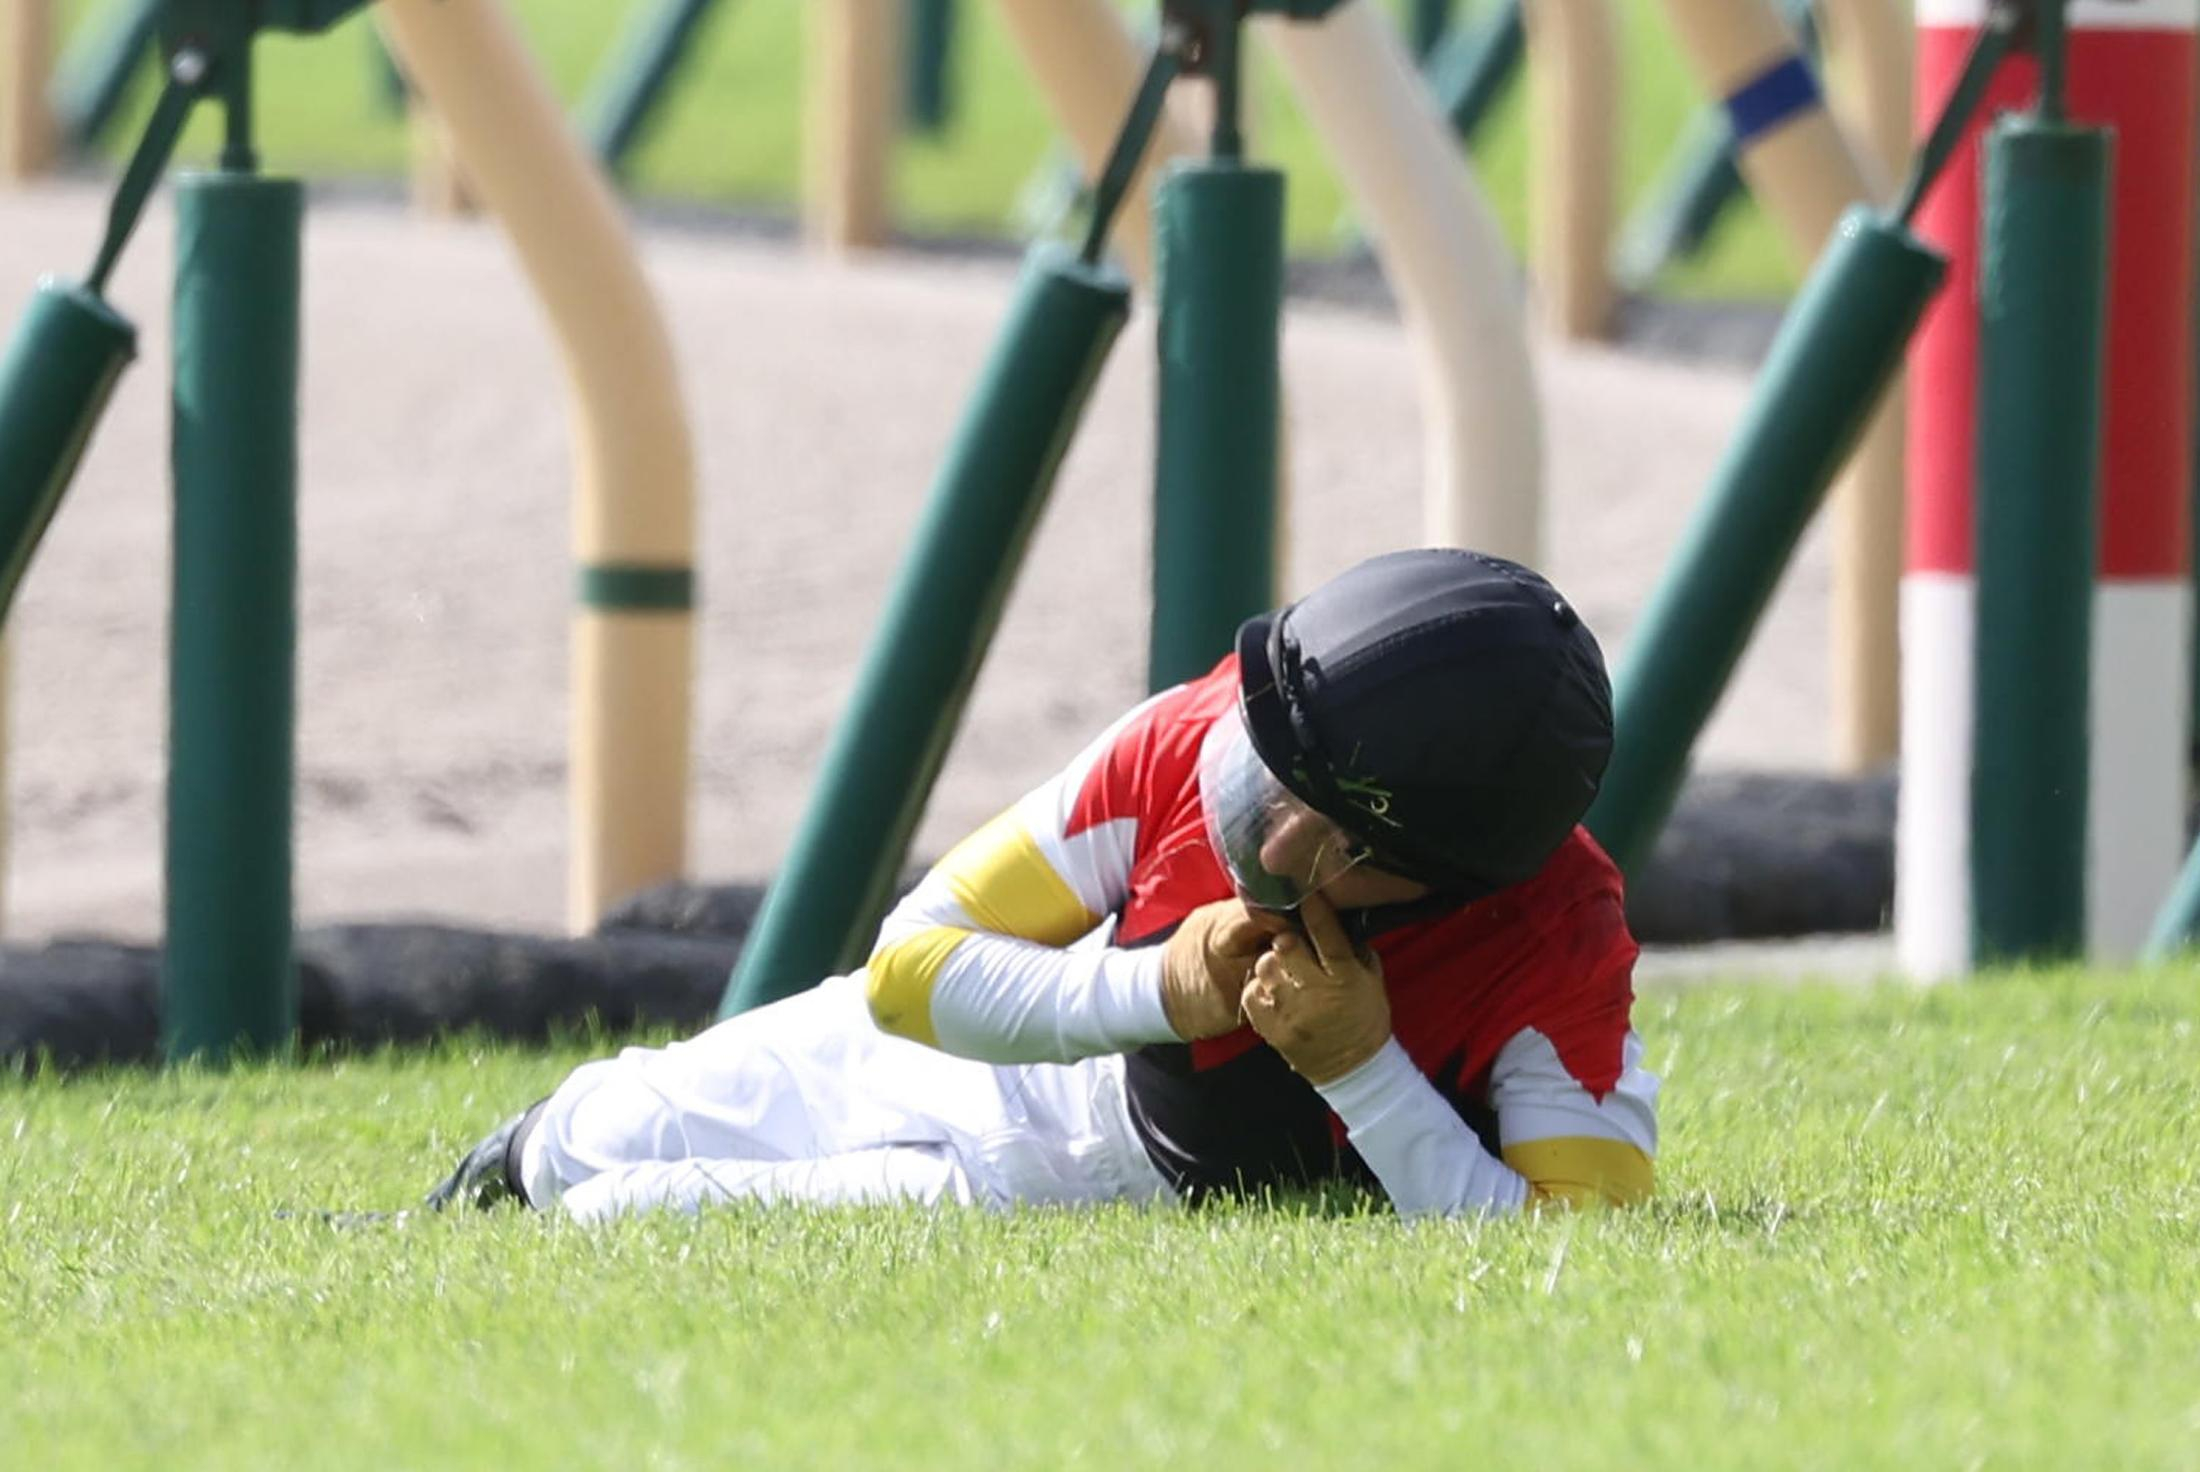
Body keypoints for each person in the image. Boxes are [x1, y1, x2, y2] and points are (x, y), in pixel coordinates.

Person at [427, 548, 1659, 1222]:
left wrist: (1361, 1068)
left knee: (625, 1218)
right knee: (587, 1130)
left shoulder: (1555, 938)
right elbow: (911, 970)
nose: (1264, 838)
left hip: (1094, 1182)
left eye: (1323, 830)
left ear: (1447, 872)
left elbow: (1573, 1250)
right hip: (994, 1044)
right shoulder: (1200, 725)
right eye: (1266, 774)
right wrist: (1157, 987)